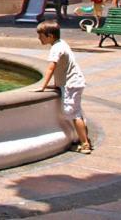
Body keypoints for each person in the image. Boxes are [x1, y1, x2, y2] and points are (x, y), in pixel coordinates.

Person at [36, 20, 91, 154]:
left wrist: (42, 87)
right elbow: (64, 67)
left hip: (71, 84)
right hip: (74, 82)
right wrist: (56, 85)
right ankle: (83, 139)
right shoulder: (61, 43)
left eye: (41, 35)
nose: (39, 38)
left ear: (50, 36)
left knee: (74, 114)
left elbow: (51, 67)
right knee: (77, 112)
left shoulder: (56, 48)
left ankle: (85, 144)